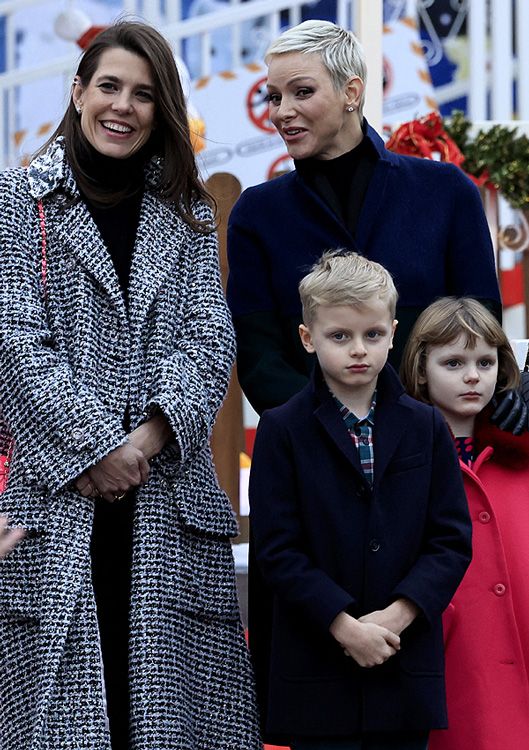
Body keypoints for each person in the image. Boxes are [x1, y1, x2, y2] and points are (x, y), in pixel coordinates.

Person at [0, 21, 260, 750]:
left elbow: (210, 342)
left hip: (165, 503)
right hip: (54, 504)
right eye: (109, 86)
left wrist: (140, 445)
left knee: (168, 721)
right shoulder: (19, 200)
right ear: (78, 92)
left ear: (163, 109)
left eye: (144, 94)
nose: (123, 106)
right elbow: (15, 339)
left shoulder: (186, 213)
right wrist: (93, 451)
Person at [226, 20, 526, 428]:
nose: (282, 112)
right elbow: (259, 357)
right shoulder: (256, 214)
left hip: (437, 454)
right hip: (316, 462)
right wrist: (335, 429)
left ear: (352, 92)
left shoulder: (447, 191)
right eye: (274, 97)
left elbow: (480, 326)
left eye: (302, 92)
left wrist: (420, 430)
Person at [249, 250, 472, 750]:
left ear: (393, 333)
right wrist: (344, 626)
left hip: (404, 668)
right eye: (339, 336)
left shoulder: (425, 425)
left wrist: (396, 616)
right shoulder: (282, 429)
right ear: (308, 339)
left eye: (372, 335)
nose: (358, 350)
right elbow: (277, 550)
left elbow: (451, 540)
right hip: (317, 674)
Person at [400, 297, 529, 750]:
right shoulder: (403, 460)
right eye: (453, 362)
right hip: (449, 660)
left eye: (485, 361)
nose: (473, 376)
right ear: (420, 369)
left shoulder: (521, 456)